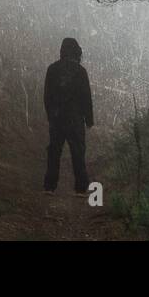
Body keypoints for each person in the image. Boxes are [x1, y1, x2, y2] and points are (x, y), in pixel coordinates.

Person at [43, 37, 93, 194]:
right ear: (76, 52)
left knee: (54, 152)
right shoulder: (81, 71)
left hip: (57, 118)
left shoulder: (52, 69)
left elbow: (47, 96)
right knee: (78, 153)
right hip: (75, 120)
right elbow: (86, 97)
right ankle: (81, 188)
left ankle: (49, 187)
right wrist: (89, 119)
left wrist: (51, 115)